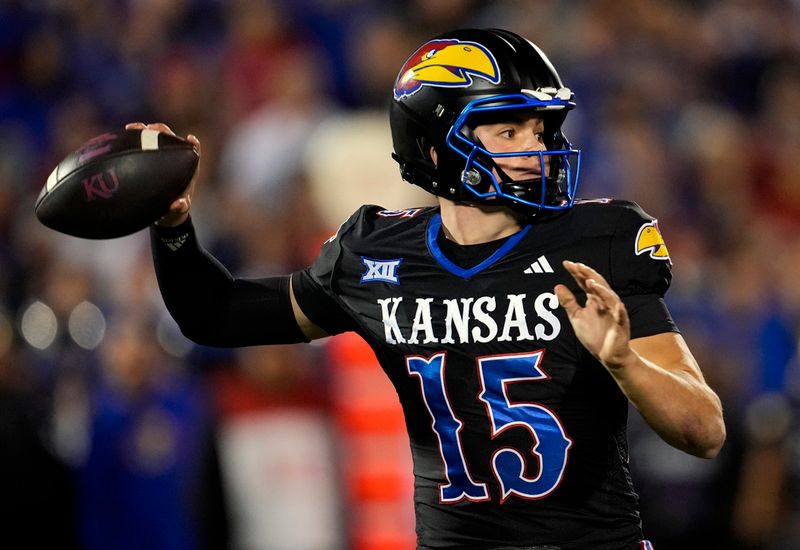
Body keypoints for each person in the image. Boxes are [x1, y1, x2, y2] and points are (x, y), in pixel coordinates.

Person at [134, 28, 725, 550]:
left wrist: (624, 362)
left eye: (541, 129)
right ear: (439, 146)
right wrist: (172, 227)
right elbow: (215, 314)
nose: (538, 148)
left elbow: (704, 430)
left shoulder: (599, 242)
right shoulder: (377, 255)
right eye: (510, 129)